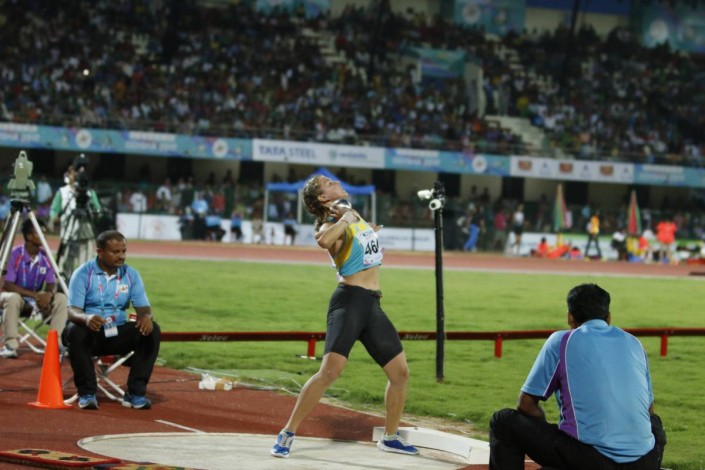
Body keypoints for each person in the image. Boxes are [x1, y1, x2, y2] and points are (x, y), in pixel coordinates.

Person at [271, 175, 418, 458]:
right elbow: (324, 240)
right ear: (323, 198)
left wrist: (367, 228)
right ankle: (287, 432)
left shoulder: (351, 214)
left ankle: (390, 437)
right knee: (330, 372)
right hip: (349, 302)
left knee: (400, 373)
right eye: (328, 182)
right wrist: (347, 221)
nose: (334, 181)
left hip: (372, 304)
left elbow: (358, 239)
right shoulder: (330, 223)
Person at [489, 283, 666, 470]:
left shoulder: (562, 341)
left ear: (570, 316)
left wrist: (543, 429)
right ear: (608, 316)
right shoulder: (635, 344)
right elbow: (649, 411)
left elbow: (526, 404)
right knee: (655, 423)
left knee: (502, 421)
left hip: (590, 460)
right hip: (646, 461)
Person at [61, 230, 160, 410]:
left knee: (152, 330)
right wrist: (86, 318)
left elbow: (144, 308)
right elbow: (73, 311)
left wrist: (146, 317)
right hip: (90, 333)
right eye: (115, 252)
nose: (121, 256)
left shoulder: (131, 274)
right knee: (76, 331)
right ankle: (87, 393)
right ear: (100, 252)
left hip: (116, 331)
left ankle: (135, 393)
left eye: (124, 251)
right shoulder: (82, 273)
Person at [0, 219, 68, 359]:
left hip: (35, 301)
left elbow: (51, 283)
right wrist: (36, 295)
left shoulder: (46, 256)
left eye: (45, 232)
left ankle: (56, 345)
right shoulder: (14, 254)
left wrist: (48, 294)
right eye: (40, 232)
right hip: (11, 299)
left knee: (61, 298)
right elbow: (8, 285)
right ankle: (10, 346)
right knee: (13, 297)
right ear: (29, 236)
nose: (44, 236)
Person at [49, 157, 102, 278]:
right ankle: (63, 285)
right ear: (69, 174)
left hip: (86, 236)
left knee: (87, 270)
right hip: (68, 235)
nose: (77, 174)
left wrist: (94, 212)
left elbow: (98, 212)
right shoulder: (62, 192)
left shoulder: (89, 192)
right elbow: (53, 212)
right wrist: (55, 218)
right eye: (74, 172)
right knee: (63, 269)